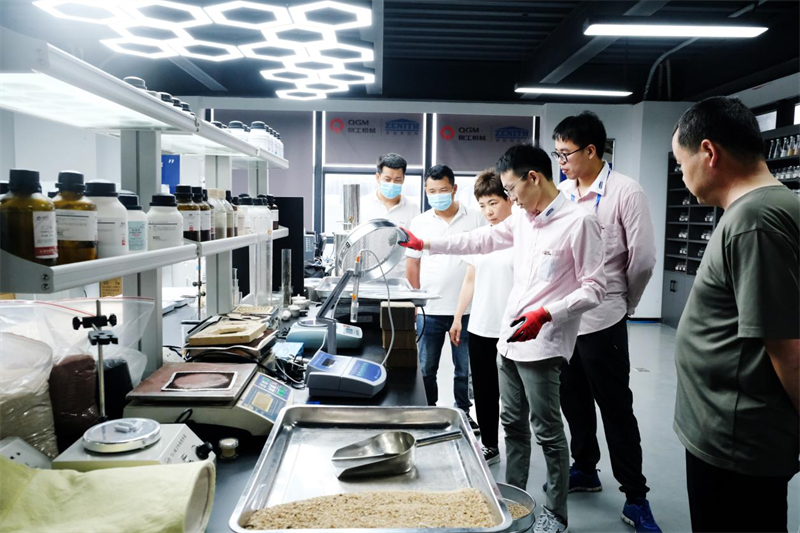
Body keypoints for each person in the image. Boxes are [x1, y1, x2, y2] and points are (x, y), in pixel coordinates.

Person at [401, 144, 606, 533]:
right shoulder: (525, 220)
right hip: (508, 341)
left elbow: (596, 289)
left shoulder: (580, 223)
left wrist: (547, 314)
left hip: (542, 345)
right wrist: (425, 244)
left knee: (547, 432)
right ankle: (515, 503)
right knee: (512, 425)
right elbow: (478, 241)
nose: (510, 199)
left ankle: (555, 514)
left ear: (534, 178)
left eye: (511, 190)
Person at [671, 96, 800, 532]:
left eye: (681, 163)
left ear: (709, 153)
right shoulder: (756, 210)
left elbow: (786, 345)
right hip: (727, 431)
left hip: (737, 441)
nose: (681, 174)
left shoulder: (755, 220)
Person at [551, 111, 661, 533]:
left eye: (566, 154)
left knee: (616, 409)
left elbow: (643, 259)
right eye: (557, 154)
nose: (561, 162)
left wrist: (626, 303)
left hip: (604, 318)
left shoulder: (625, 192)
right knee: (573, 399)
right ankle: (585, 468)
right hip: (567, 319)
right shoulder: (563, 193)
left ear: (592, 150)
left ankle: (635, 496)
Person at [405, 164, 484, 430]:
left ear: (454, 189)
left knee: (464, 369)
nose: (437, 195)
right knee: (427, 367)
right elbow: (412, 264)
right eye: (431, 191)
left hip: (467, 309)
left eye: (442, 190)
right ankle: (429, 410)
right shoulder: (420, 222)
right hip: (430, 310)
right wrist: (416, 302)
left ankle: (463, 411)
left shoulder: (476, 218)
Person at [448, 169, 514, 465]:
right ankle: (490, 444)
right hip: (481, 326)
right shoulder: (481, 237)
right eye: (483, 205)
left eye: (494, 203)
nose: (488, 211)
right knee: (485, 391)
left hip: (514, 328)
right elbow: (470, 280)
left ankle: (518, 444)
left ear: (510, 199)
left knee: (515, 394)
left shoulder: (523, 236)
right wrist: (458, 317)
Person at [360, 153, 420, 278]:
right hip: (367, 278)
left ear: (403, 179)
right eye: (387, 179)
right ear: (378, 177)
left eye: (397, 180)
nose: (392, 183)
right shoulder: (362, 205)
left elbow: (415, 252)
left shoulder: (412, 208)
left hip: (400, 280)